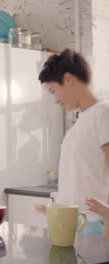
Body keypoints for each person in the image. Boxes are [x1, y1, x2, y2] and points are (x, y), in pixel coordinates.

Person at [37, 49, 109, 237]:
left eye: (54, 90)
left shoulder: (103, 112)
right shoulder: (82, 120)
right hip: (75, 223)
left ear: (68, 80)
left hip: (96, 225)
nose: (55, 100)